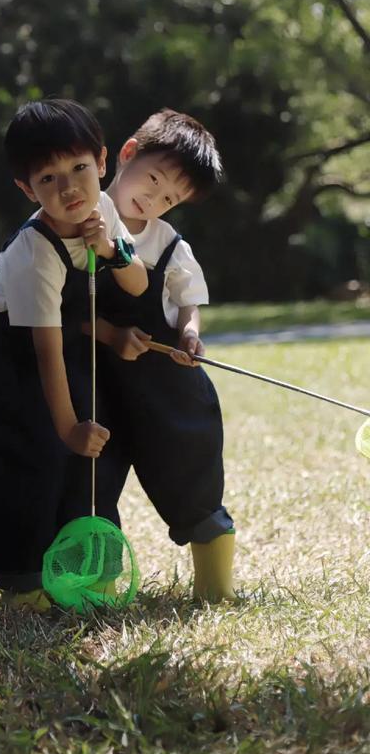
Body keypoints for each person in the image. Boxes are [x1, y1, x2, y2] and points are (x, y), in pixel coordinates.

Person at [0, 99, 148, 611]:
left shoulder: (104, 209)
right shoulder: (33, 253)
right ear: (26, 189)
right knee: (29, 452)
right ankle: (23, 581)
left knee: (92, 455)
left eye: (79, 169)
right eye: (48, 178)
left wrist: (113, 250)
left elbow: (136, 285)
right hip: (6, 343)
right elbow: (44, 354)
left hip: (65, 332)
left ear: (103, 161)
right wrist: (68, 428)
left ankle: (87, 567)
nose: (68, 188)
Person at [90, 108, 236, 601]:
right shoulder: (78, 214)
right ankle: (97, 586)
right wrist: (110, 334)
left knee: (188, 458)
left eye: (170, 198)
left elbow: (188, 302)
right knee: (90, 478)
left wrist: (189, 335)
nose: (154, 200)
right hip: (90, 371)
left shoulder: (169, 243)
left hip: (161, 374)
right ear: (128, 154)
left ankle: (214, 582)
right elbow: (58, 305)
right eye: (152, 181)